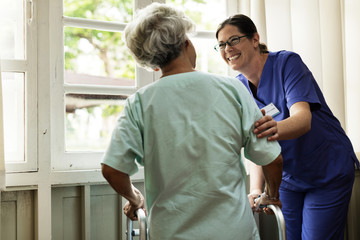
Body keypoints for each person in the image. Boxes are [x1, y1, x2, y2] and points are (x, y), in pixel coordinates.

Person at [101, 3, 283, 240]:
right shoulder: (233, 89)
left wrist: (135, 199)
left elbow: (112, 169)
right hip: (233, 232)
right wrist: (271, 194)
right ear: (186, 43)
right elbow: (272, 159)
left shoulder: (139, 103)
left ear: (154, 64)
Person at [215, 14, 359, 240]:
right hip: (288, 178)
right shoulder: (239, 88)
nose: (227, 48)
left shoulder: (286, 63)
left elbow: (303, 119)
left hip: (326, 169)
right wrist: (255, 189)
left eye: (233, 40)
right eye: (221, 44)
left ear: (255, 39)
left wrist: (267, 131)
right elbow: (256, 148)